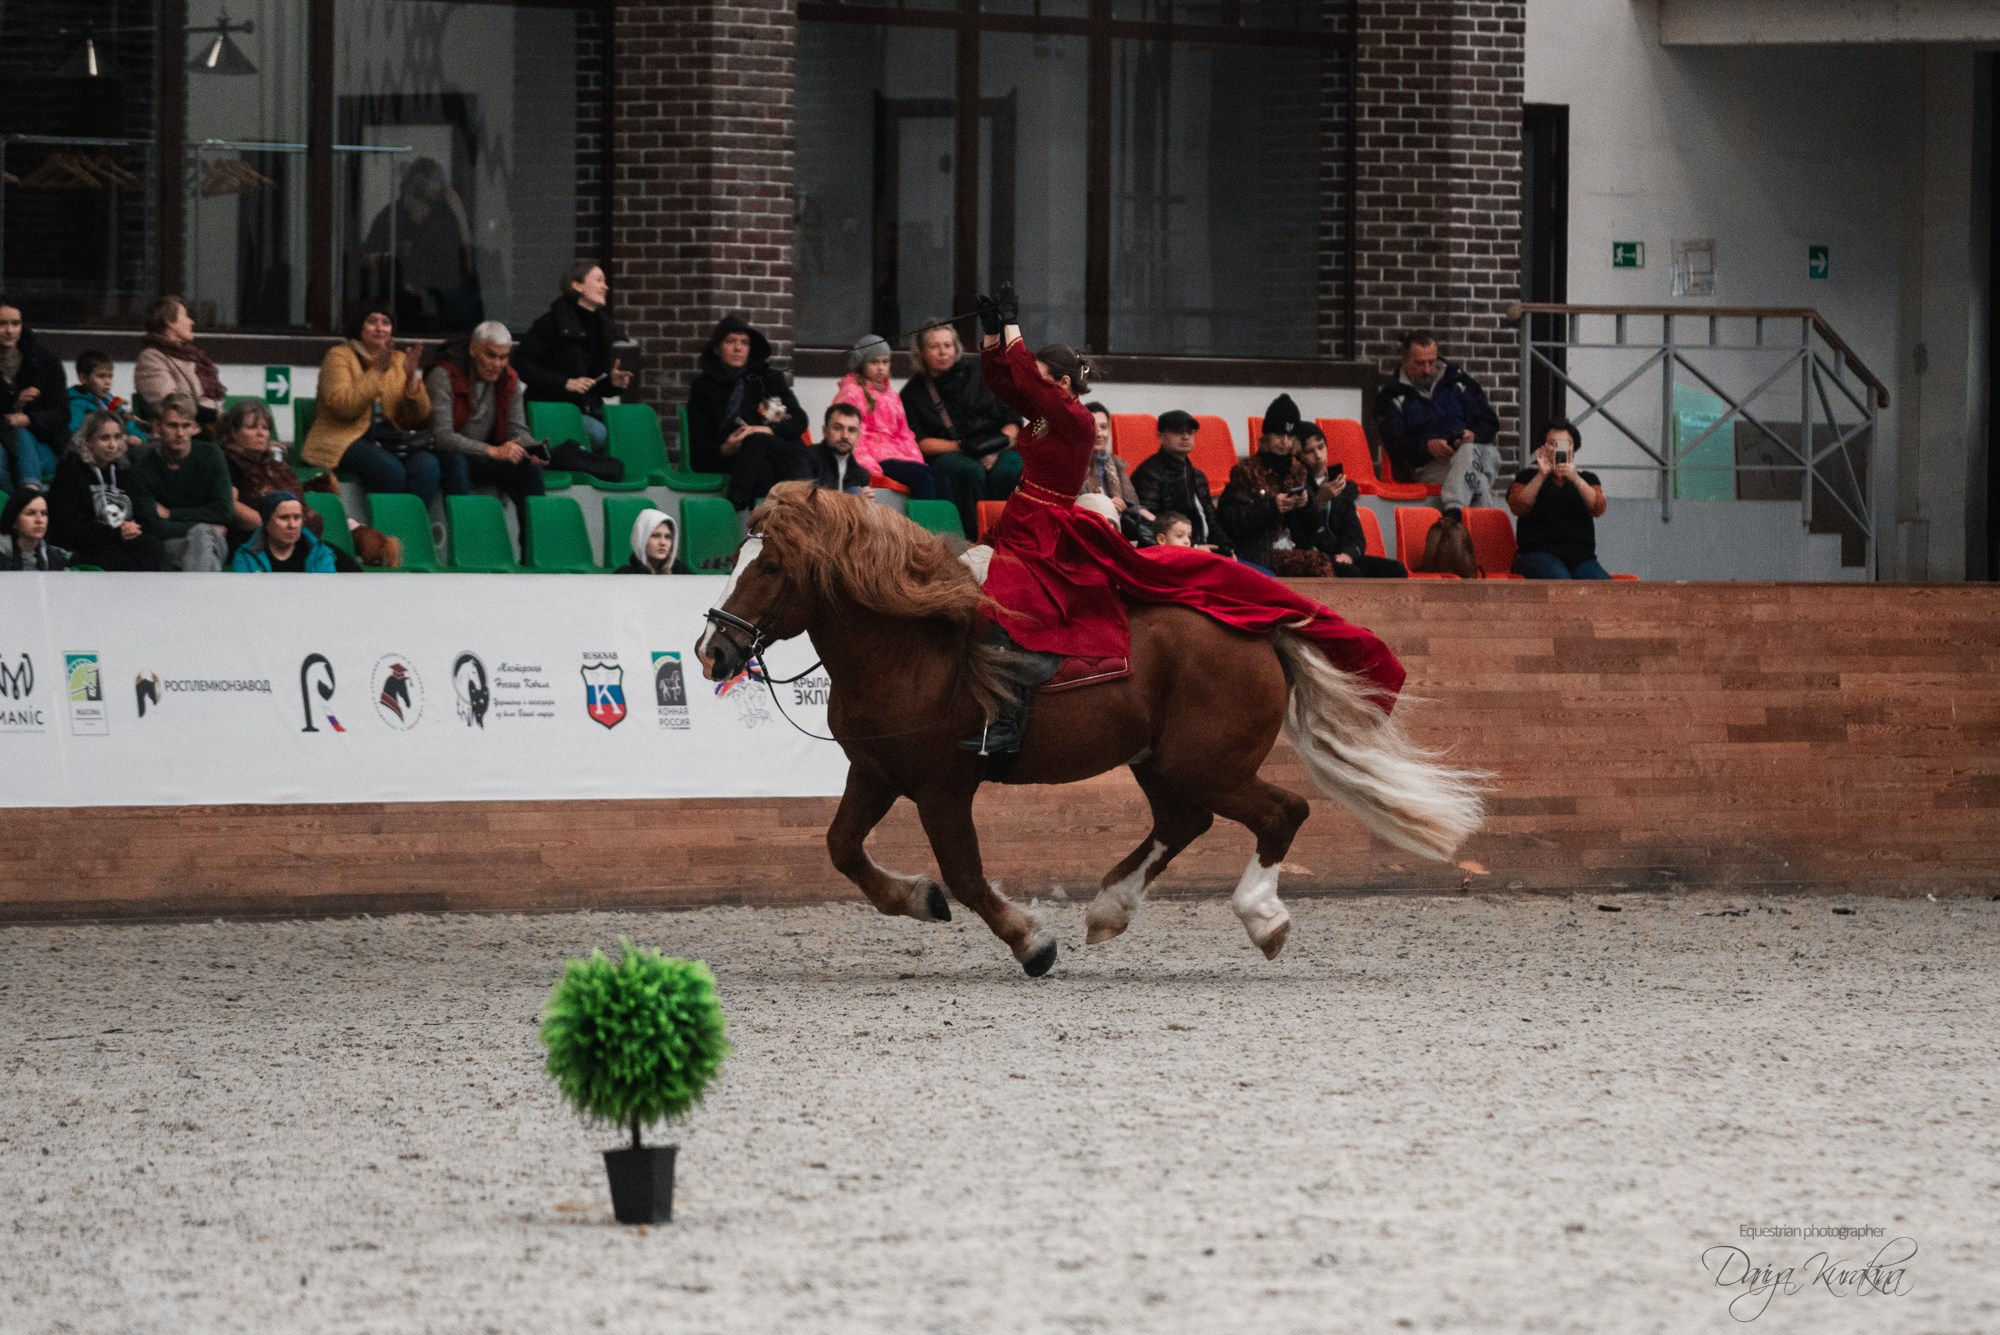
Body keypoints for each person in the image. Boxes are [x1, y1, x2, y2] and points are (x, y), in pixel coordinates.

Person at [966, 280, 1404, 758]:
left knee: (1003, 606)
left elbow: (1026, 380)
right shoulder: (1048, 411)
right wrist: (992, 334)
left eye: (1047, 378)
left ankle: (1006, 722)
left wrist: (1013, 327)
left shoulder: (1075, 419)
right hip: (1023, 518)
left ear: (1065, 385)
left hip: (1046, 529)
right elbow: (1006, 383)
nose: (1037, 384)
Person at [214, 400, 400, 567]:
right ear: (233, 432)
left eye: (265, 428)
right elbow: (230, 506)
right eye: (252, 427)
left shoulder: (275, 466)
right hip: (258, 544)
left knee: (347, 567)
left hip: (295, 540)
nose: (261, 433)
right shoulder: (228, 463)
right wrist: (272, 525)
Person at [424, 321, 547, 553]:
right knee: (456, 461)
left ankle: (534, 553)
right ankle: (466, 549)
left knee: (529, 469)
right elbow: (441, 436)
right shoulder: (444, 374)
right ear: (473, 349)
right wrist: (492, 451)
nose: (497, 364)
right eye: (491, 356)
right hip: (446, 453)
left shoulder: (509, 378)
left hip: (483, 455)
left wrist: (532, 449)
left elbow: (516, 429)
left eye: (503, 357)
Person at [300, 305, 439, 504]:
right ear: (359, 327)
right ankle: (384, 530)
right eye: (372, 321)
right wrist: (377, 372)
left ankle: (409, 527)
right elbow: (344, 407)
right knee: (389, 468)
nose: (380, 328)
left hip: (386, 437)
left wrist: (411, 380)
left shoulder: (399, 360)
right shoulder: (339, 356)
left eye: (386, 323)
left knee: (428, 466)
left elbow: (418, 416)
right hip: (344, 437)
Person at [900, 320, 1025, 537]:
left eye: (948, 345)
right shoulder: (913, 393)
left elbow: (1013, 421)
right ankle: (973, 539)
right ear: (921, 351)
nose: (943, 352)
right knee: (968, 472)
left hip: (997, 447)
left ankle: (1011, 535)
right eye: (935, 346)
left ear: (956, 347)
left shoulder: (981, 373)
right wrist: (966, 449)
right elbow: (919, 443)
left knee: (1012, 466)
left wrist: (996, 447)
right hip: (953, 452)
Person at [685, 314, 811, 510]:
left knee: (759, 442)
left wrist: (764, 430)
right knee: (761, 467)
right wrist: (726, 447)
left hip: (776, 446)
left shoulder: (768, 378)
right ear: (718, 348)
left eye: (744, 343)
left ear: (750, 349)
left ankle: (734, 502)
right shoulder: (703, 388)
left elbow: (799, 421)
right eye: (731, 342)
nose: (738, 348)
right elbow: (699, 445)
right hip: (732, 455)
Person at [1373, 331, 1501, 509]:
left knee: (1469, 452)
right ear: (1404, 359)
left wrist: (1474, 435)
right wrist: (1427, 447)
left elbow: (1490, 422)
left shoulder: (1459, 382)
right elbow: (1395, 444)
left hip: (1476, 452)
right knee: (1478, 483)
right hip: (1432, 465)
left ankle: (1452, 515)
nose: (1427, 369)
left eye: (1431, 362)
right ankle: (1473, 529)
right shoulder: (1391, 397)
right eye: (1419, 363)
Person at [514, 260, 633, 450]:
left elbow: (594, 383)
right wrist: (565, 383)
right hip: (551, 410)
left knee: (627, 433)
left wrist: (612, 383)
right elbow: (521, 363)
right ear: (577, 285)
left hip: (586, 410)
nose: (606, 286)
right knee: (597, 434)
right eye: (599, 280)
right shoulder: (552, 323)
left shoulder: (603, 328)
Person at [357, 157, 483, 335]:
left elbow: (456, 271)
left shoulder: (444, 226)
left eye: (427, 205)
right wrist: (380, 260)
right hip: (393, 310)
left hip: (442, 318)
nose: (411, 207)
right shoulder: (394, 215)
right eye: (408, 197)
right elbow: (366, 254)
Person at [1220, 395, 1334, 577]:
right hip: (1258, 552)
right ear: (1266, 437)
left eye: (1290, 436)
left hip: (1294, 544)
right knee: (1319, 564)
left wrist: (1307, 505)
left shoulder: (1299, 470)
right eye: (1279, 435)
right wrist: (1271, 507)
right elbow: (1232, 520)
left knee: (1325, 561)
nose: (1285, 442)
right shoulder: (1246, 471)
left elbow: (1313, 525)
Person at [47, 409, 165, 571]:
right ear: (87, 441)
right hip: (84, 549)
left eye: (117, 437)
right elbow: (66, 529)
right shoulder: (70, 473)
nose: (113, 445)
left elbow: (145, 518)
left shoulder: (124, 472)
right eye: (105, 438)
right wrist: (116, 533)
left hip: (122, 543)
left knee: (153, 547)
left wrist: (136, 529)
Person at [831, 335, 940, 500]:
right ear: (861, 364)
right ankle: (924, 525)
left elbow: (905, 434)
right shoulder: (852, 393)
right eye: (874, 362)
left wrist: (916, 461)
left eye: (885, 362)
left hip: (899, 457)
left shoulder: (891, 395)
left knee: (941, 478)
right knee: (924, 479)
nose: (881, 368)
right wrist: (869, 469)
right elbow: (854, 437)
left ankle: (944, 524)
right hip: (878, 460)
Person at [131, 394, 232, 572]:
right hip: (170, 543)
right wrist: (206, 526)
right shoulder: (144, 466)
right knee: (203, 540)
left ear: (195, 428)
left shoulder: (211, 455)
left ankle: (192, 594)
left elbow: (223, 511)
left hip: (211, 540)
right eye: (173, 426)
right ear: (157, 427)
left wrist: (171, 513)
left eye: (186, 426)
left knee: (201, 536)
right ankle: (200, 595)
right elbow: (152, 526)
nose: (180, 433)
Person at [1300, 422, 1406, 578]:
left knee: (1396, 570)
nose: (1318, 455)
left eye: (1321, 447)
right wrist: (1319, 501)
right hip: (1314, 556)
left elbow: (1354, 532)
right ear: (1299, 455)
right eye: (1310, 451)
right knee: (1350, 573)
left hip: (1341, 554)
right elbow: (1301, 533)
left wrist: (1348, 553)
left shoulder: (1342, 486)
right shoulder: (1298, 486)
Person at [1508, 420, 1610, 579]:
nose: (1558, 448)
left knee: (1606, 590)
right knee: (1560, 581)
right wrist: (1541, 475)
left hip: (1581, 559)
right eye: (1553, 443)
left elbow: (1598, 507)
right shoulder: (1527, 477)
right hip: (1536, 554)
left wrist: (1575, 478)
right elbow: (1518, 506)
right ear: (1543, 447)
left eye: (1565, 443)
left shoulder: (1587, 479)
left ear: (1573, 447)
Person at [1130, 409, 1229, 554]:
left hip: (1205, 550)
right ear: (1160, 437)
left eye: (1190, 432)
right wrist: (1193, 547)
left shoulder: (1198, 476)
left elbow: (1212, 520)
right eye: (1178, 432)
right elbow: (1149, 525)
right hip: (1175, 554)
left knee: (1257, 574)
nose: (1186, 437)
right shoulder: (1149, 474)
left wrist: (1226, 547)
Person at [0, 297, 72, 493]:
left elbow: (61, 412)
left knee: (22, 437)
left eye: (15, 324)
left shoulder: (44, 360)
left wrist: (29, 418)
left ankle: (27, 500)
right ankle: (19, 507)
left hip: (44, 441)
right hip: (3, 441)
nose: (10, 331)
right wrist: (14, 403)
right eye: (2, 324)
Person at [132, 295, 226, 428]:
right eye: (186, 316)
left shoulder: (193, 357)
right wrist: (219, 417)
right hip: (186, 432)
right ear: (170, 321)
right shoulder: (151, 358)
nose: (192, 322)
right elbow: (170, 406)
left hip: (212, 428)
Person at [229, 490, 359, 573]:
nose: (292, 525)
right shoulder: (246, 557)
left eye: (297, 518)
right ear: (266, 522)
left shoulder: (320, 553)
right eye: (284, 517)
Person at [1080, 402, 1154, 544]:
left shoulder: (1114, 463)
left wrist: (1125, 506)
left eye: (1103, 427)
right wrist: (1106, 505)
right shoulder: (1072, 463)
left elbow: (1132, 503)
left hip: (1119, 526)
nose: (1099, 434)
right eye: (1092, 427)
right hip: (1087, 529)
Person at [67, 349, 146, 452]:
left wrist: (139, 438)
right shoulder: (77, 404)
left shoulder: (112, 402)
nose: (107, 382)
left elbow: (129, 426)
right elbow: (75, 435)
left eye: (110, 376)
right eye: (101, 376)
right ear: (83, 378)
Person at [805, 402, 873, 497]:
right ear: (825, 431)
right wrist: (850, 500)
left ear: (858, 435)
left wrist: (866, 505)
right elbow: (799, 502)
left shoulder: (862, 474)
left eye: (852, 430)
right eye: (837, 428)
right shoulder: (806, 458)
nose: (845, 436)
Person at [0, 490, 70, 571]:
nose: (40, 520)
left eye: (44, 513)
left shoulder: (54, 558)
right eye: (31, 513)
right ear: (13, 520)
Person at [612, 506, 679, 575]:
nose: (663, 543)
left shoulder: (681, 573)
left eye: (668, 537)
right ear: (641, 539)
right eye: (655, 536)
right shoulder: (624, 575)